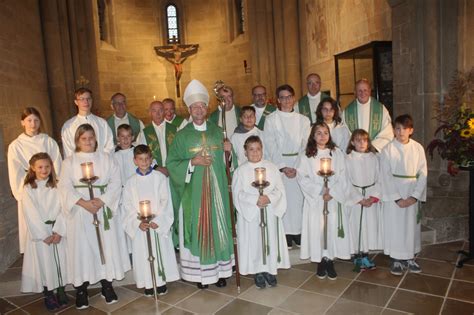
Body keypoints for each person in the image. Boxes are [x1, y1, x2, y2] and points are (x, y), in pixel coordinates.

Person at [167, 79, 236, 289]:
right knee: (199, 229)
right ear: (189, 109)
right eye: (195, 106)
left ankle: (220, 271)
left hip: (217, 192)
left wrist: (228, 152)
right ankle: (200, 275)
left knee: (218, 227)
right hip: (194, 194)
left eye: (202, 106)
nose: (199, 109)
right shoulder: (181, 136)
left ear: (207, 108)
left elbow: (229, 166)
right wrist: (192, 162)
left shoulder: (217, 131)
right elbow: (171, 164)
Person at [58, 124, 130, 309]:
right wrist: (83, 204)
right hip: (80, 213)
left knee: (105, 247)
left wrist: (101, 200)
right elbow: (64, 187)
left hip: (102, 208)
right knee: (82, 250)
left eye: (91, 137)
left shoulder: (106, 158)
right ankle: (81, 289)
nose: (88, 141)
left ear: (96, 139)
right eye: (84, 138)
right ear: (77, 141)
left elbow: (116, 181)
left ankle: (107, 285)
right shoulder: (69, 162)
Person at [232, 136, 290, 288]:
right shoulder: (240, 171)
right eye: (251, 149)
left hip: (269, 211)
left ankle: (269, 270)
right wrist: (255, 200)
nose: (255, 152)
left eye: (258, 149)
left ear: (262, 150)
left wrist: (269, 198)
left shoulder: (271, 167)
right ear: (245, 152)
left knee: (269, 240)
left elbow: (280, 190)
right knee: (255, 242)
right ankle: (257, 270)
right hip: (251, 214)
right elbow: (237, 194)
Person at [122, 145, 180, 296]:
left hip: (156, 224)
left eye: (147, 159)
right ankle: (148, 283)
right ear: (135, 161)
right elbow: (127, 205)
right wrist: (137, 222)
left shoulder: (159, 178)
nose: (144, 162)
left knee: (159, 250)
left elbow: (165, 200)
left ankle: (160, 282)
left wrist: (158, 220)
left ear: (152, 159)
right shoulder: (130, 182)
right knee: (143, 253)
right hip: (141, 226)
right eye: (140, 159)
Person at [296, 122, 350, 280]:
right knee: (317, 229)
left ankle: (329, 260)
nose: (322, 136)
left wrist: (332, 192)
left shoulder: (337, 153)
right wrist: (320, 191)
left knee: (331, 228)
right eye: (318, 133)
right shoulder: (306, 155)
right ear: (313, 135)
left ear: (330, 135)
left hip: (332, 199)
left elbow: (343, 176)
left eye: (325, 132)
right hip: (315, 200)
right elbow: (302, 177)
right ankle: (320, 260)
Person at [8, 107, 62, 254]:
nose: (33, 124)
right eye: (29, 120)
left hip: (49, 188)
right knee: (34, 222)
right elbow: (15, 171)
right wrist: (21, 195)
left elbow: (57, 163)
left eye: (36, 120)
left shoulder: (48, 141)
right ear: (22, 122)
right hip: (30, 188)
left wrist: (57, 184)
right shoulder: (16, 145)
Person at [264, 84, 310, 249]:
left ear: (294, 98)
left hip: (298, 165)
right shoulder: (271, 119)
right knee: (283, 200)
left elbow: (306, 144)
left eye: (289, 96)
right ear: (278, 100)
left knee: (298, 202)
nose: (286, 100)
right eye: (282, 97)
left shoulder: (303, 120)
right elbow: (270, 144)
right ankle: (285, 234)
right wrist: (283, 167)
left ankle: (298, 233)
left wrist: (297, 167)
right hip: (280, 167)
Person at [380, 114, 427, 276]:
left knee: (411, 227)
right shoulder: (388, 149)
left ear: (411, 130)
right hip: (396, 195)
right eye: (398, 128)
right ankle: (396, 259)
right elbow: (385, 175)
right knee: (396, 226)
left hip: (412, 192)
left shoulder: (418, 148)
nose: (401, 132)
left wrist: (415, 196)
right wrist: (397, 198)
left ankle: (410, 257)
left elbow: (423, 173)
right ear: (393, 130)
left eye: (404, 129)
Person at [20, 153, 68, 311]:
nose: (44, 169)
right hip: (41, 234)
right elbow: (30, 212)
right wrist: (43, 234)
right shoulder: (28, 188)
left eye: (47, 166)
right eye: (40, 167)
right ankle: (48, 293)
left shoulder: (58, 185)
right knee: (45, 263)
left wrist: (59, 230)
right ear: (33, 168)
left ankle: (61, 289)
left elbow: (64, 208)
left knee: (60, 261)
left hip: (57, 231)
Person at [345, 129, 382, 271]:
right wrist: (359, 199)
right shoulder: (348, 158)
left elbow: (380, 179)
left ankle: (365, 255)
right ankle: (356, 256)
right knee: (356, 226)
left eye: (365, 140)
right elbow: (346, 181)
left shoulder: (374, 158)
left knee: (367, 227)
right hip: (356, 198)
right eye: (358, 140)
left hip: (370, 197)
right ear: (352, 142)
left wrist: (373, 197)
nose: (362, 143)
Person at [342, 79, 393, 152]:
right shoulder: (347, 112)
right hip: (355, 155)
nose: (363, 93)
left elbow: (387, 133)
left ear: (369, 91)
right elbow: (344, 135)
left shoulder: (381, 110)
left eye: (365, 90)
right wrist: (356, 147)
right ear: (355, 92)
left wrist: (372, 147)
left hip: (374, 153)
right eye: (359, 91)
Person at [61, 87, 114, 158]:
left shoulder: (102, 123)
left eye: (88, 99)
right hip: (78, 164)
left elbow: (109, 145)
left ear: (92, 100)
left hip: (100, 163)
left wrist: (102, 160)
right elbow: (68, 151)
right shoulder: (68, 125)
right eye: (82, 99)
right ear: (76, 102)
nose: (86, 102)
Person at [137, 101, 177, 177]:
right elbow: (141, 154)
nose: (158, 114)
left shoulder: (175, 130)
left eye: (160, 110)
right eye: (154, 111)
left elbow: (179, 151)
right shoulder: (144, 134)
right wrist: (157, 167)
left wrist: (171, 167)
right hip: (153, 172)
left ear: (164, 112)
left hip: (173, 171)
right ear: (150, 113)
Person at [113, 124, 136, 257]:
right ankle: (127, 253)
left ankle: (137, 250)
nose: (126, 140)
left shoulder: (136, 153)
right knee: (124, 223)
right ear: (118, 138)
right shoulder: (114, 156)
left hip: (135, 194)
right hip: (121, 196)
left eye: (128, 136)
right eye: (122, 136)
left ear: (132, 137)